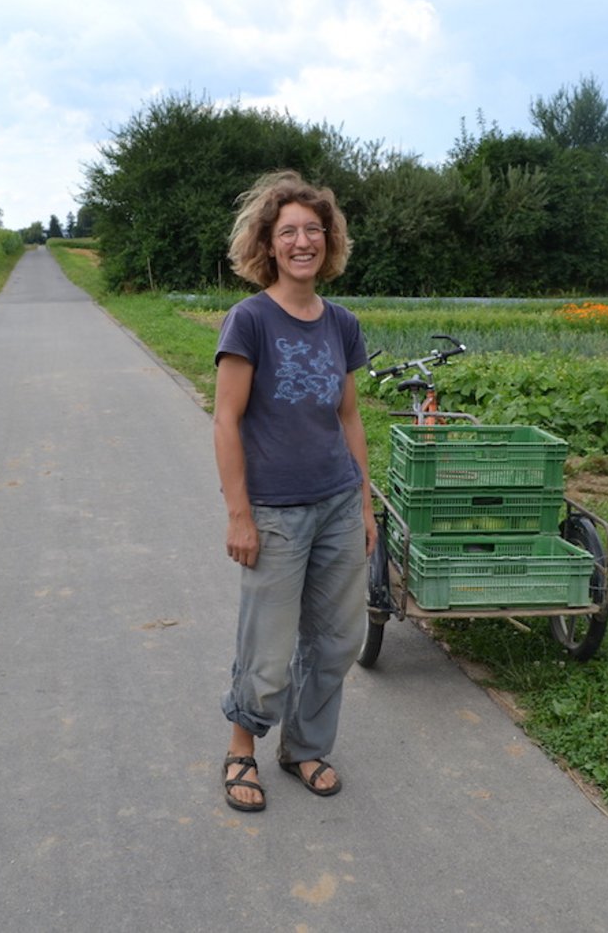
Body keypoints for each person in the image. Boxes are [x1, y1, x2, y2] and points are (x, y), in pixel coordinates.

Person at [213, 170, 376, 813]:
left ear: (328, 240)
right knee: (268, 651)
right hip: (275, 513)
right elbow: (226, 420)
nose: (303, 241)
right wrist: (239, 516)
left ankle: (304, 748)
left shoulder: (341, 323)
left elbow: (348, 416)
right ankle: (240, 752)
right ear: (269, 244)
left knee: (337, 642)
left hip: (337, 503)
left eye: (313, 229)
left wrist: (363, 503)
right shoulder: (249, 320)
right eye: (289, 232)